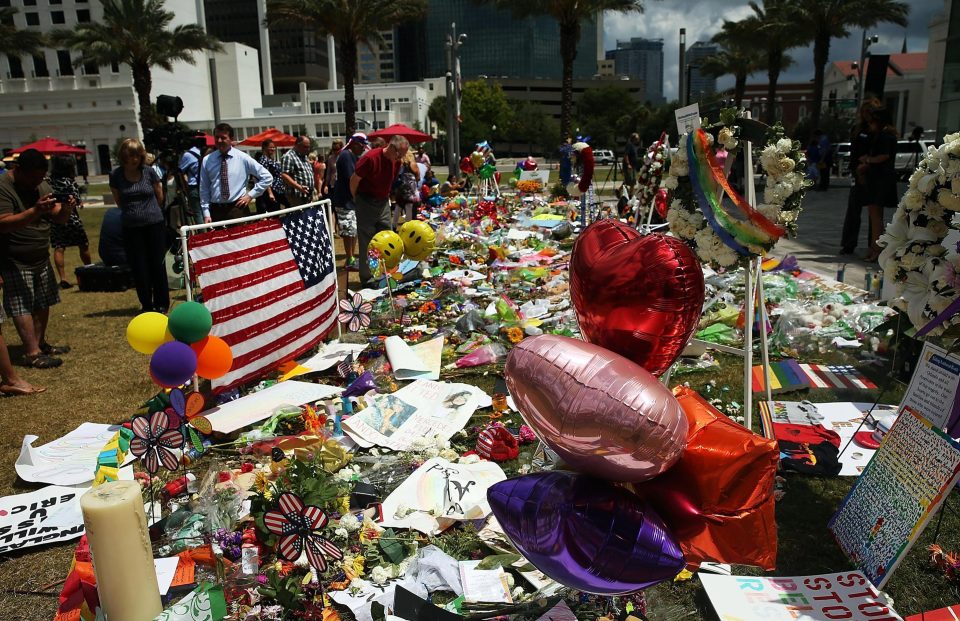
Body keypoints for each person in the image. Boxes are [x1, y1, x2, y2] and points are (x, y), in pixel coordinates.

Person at [0, 148, 76, 369]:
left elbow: (59, 218)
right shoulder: (4, 188)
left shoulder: (41, 185)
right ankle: (32, 353)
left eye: (41, 178)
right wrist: (35, 210)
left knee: (43, 301)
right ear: (18, 170)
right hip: (14, 257)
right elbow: (4, 224)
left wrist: (67, 208)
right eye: (33, 178)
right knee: (21, 305)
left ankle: (40, 344)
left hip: (40, 255)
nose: (37, 183)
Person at [110, 138, 170, 314]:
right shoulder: (116, 176)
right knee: (139, 266)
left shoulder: (149, 172)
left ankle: (162, 302)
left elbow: (160, 196)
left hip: (154, 224)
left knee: (157, 264)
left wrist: (151, 212)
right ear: (124, 157)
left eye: (137, 155)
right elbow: (118, 200)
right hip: (131, 226)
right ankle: (146, 303)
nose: (134, 159)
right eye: (130, 156)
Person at [350, 135, 409, 286]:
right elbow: (354, 180)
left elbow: (390, 181)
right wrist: (356, 199)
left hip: (383, 202)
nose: (400, 159)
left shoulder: (396, 162)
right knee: (368, 241)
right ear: (391, 148)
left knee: (387, 238)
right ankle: (368, 278)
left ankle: (386, 273)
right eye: (400, 155)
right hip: (365, 200)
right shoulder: (370, 158)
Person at [200, 123, 273, 222]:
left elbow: (267, 177)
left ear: (231, 139)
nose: (219, 141)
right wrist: (206, 213)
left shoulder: (243, 158)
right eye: (217, 137)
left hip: (237, 209)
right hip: (215, 211)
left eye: (223, 137)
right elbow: (204, 188)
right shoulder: (207, 160)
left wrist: (250, 195)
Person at [840, 98, 881, 255]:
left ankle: (874, 245)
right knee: (853, 210)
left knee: (874, 213)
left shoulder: (877, 130)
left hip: (871, 172)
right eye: (864, 112)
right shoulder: (857, 129)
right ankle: (848, 243)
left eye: (869, 112)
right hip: (857, 172)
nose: (866, 115)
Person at [859, 107, 898, 262]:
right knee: (875, 217)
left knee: (876, 217)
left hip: (880, 179)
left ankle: (876, 249)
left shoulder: (885, 136)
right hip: (879, 178)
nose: (870, 125)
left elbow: (884, 156)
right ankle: (874, 248)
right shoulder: (886, 135)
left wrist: (868, 160)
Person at [48, 155, 92, 289]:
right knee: (83, 245)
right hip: (71, 217)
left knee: (59, 247)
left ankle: (63, 277)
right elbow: (77, 201)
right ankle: (88, 271)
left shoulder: (49, 181)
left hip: (55, 218)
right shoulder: (70, 182)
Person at [332, 133, 367, 271]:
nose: (363, 149)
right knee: (348, 230)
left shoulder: (352, 156)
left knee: (354, 230)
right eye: (362, 146)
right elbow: (350, 178)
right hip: (345, 199)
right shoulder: (346, 155)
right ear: (355, 144)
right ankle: (349, 258)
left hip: (351, 200)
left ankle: (351, 257)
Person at [256, 138, 292, 213]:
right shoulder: (263, 160)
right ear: (264, 148)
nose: (273, 149)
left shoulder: (271, 160)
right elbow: (264, 177)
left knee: (283, 208)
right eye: (271, 147)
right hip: (272, 190)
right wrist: (270, 193)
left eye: (274, 147)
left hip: (278, 190)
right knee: (276, 210)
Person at [177, 138, 205, 224]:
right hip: (207, 185)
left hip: (194, 186)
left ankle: (202, 235)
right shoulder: (208, 152)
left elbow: (180, 170)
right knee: (207, 211)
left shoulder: (188, 155)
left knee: (198, 213)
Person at [281, 135, 315, 207]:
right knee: (298, 217)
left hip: (308, 194)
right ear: (297, 145)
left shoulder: (305, 157)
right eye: (305, 147)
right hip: (296, 195)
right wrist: (299, 187)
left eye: (308, 147)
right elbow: (284, 175)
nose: (308, 149)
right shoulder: (288, 156)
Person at [393, 151, 421, 229]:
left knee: (398, 207)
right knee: (409, 207)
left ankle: (394, 225)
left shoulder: (399, 164)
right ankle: (407, 228)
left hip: (400, 188)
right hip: (410, 190)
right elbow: (418, 177)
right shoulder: (412, 164)